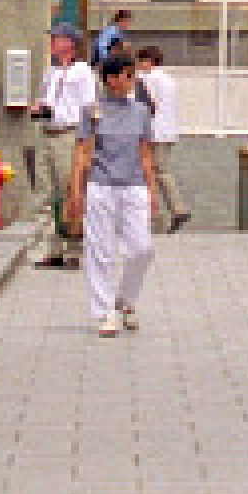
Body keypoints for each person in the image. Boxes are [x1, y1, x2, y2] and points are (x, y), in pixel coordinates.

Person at [66, 53, 159, 338]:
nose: (127, 81)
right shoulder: (92, 111)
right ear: (108, 79)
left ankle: (126, 299)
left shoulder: (141, 112)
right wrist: (75, 191)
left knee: (142, 249)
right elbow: (82, 153)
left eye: (131, 75)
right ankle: (104, 311)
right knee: (100, 250)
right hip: (101, 184)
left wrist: (152, 191)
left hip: (133, 186)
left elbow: (145, 155)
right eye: (121, 75)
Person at [32, 24, 97, 269]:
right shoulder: (51, 72)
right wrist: (39, 108)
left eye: (55, 39)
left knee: (72, 192)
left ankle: (74, 248)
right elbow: (47, 99)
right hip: (46, 132)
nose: (51, 43)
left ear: (69, 43)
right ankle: (50, 248)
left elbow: (88, 107)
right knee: (44, 193)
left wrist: (86, 143)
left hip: (69, 135)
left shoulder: (82, 72)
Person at [134, 46, 192, 233]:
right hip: (167, 131)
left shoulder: (147, 79)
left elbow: (146, 104)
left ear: (149, 62)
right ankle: (168, 212)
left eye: (141, 61)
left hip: (154, 132)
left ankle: (175, 210)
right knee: (157, 171)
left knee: (155, 172)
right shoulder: (168, 80)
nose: (139, 65)